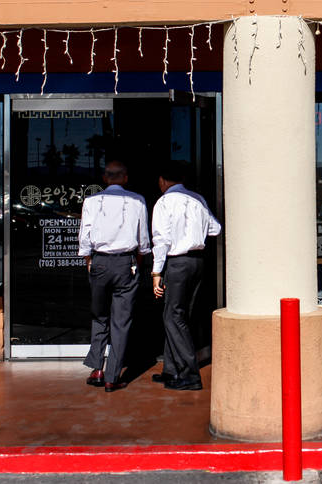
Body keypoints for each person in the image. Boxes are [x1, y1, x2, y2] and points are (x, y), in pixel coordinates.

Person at [78, 160, 150, 392]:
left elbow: (84, 236)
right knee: (121, 321)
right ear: (125, 178)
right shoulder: (138, 200)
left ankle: (97, 368)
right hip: (125, 263)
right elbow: (143, 241)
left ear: (105, 178)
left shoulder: (91, 201)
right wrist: (135, 264)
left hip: (99, 261)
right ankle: (112, 375)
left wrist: (90, 262)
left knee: (99, 315)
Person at [151, 160, 221, 391]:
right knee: (180, 315)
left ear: (162, 181)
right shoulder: (198, 199)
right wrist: (194, 232)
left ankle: (190, 374)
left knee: (173, 316)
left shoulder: (164, 202)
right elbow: (215, 229)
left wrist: (156, 272)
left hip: (177, 263)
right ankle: (171, 370)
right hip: (197, 262)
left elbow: (161, 240)